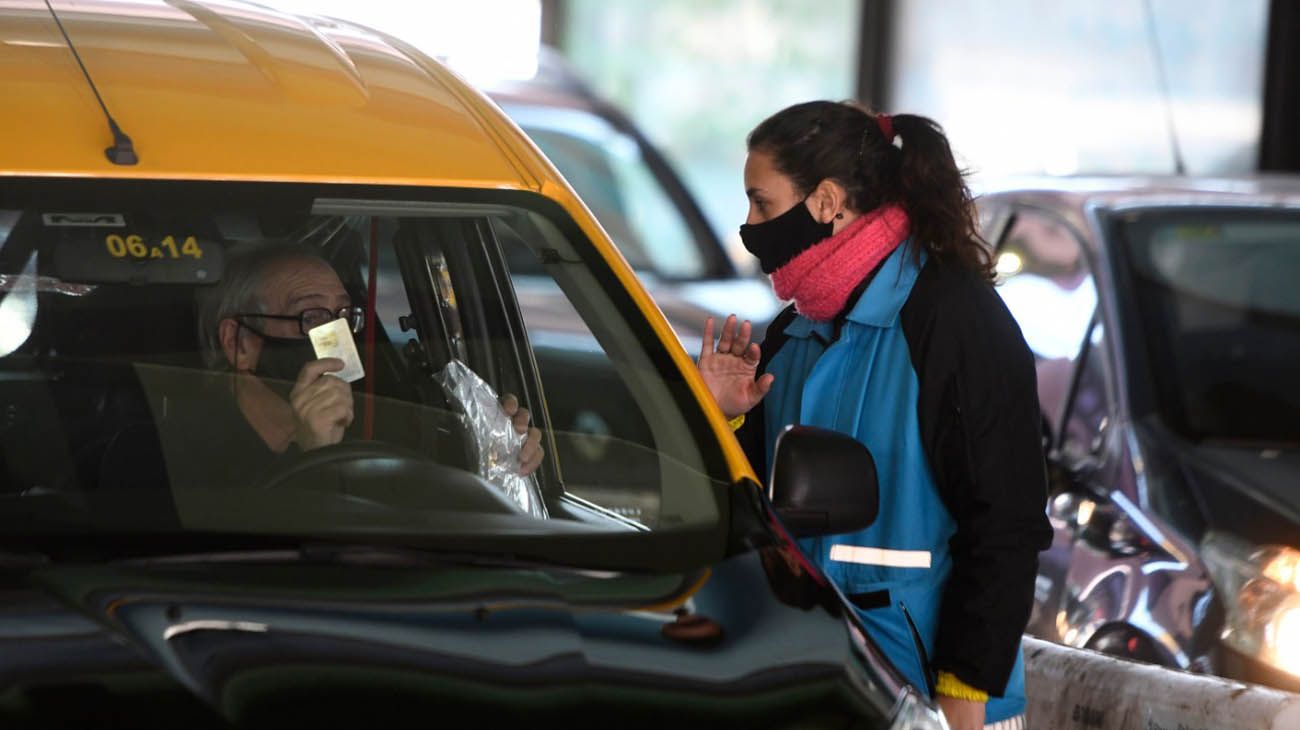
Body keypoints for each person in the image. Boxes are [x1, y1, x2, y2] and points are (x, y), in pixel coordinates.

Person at [697, 101, 1052, 730]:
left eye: (762, 203)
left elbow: (1006, 525)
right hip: (813, 686)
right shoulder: (793, 333)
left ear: (828, 202)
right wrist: (723, 419)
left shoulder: (955, 323)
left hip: (929, 699)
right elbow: (753, 523)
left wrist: (960, 702)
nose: (749, 227)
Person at [189, 240, 544, 487]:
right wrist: (319, 456)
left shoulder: (379, 427)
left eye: (344, 315)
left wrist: (504, 453)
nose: (335, 333)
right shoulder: (187, 457)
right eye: (310, 315)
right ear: (239, 343)